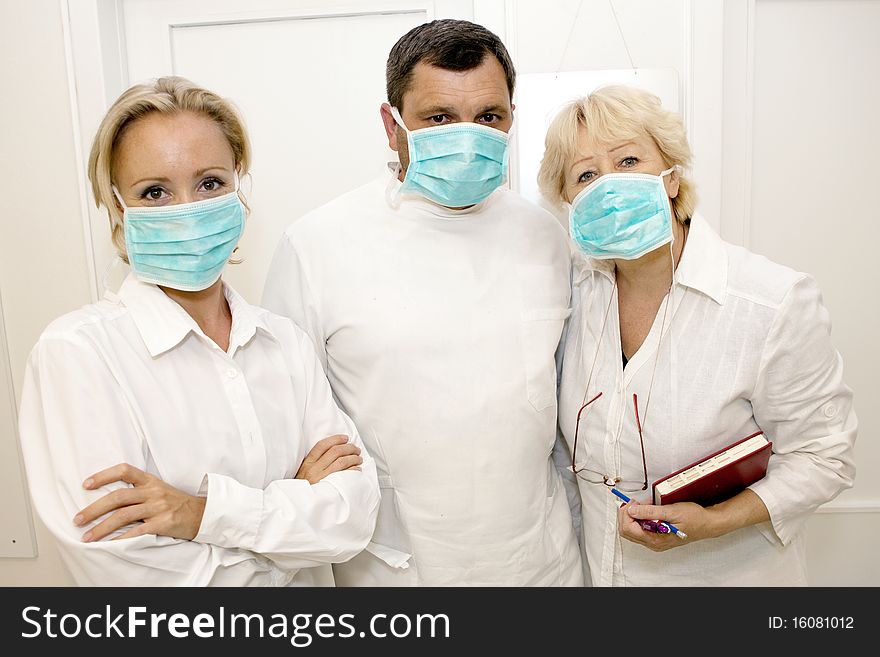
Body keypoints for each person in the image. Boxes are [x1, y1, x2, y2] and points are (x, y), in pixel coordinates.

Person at [17, 76, 380, 586]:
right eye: (155, 192)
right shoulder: (77, 354)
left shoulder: (285, 343)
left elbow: (352, 518)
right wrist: (288, 534)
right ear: (118, 206)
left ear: (238, 183)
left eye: (209, 183)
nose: (188, 210)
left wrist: (197, 515)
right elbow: (127, 574)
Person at [262, 19, 583, 586]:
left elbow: (569, 405)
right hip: (398, 566)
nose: (468, 135)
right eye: (439, 118)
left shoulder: (547, 234)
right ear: (392, 125)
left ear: (512, 118)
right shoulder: (317, 244)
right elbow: (285, 424)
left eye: (489, 117)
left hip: (539, 560)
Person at [538, 84, 857, 586]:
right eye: (585, 175)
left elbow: (824, 457)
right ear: (568, 203)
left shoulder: (771, 302)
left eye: (628, 161)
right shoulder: (570, 300)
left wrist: (715, 521)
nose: (608, 186)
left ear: (671, 176)